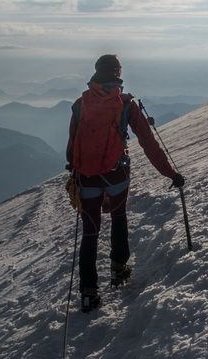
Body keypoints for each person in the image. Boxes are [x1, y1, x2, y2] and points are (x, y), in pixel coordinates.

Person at [66, 54, 185, 310]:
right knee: (118, 217)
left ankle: (88, 292)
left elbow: (71, 146)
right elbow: (148, 143)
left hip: (86, 177)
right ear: (118, 73)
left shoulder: (80, 104)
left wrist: (76, 172)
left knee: (90, 232)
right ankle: (119, 270)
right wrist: (171, 174)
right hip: (116, 175)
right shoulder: (126, 105)